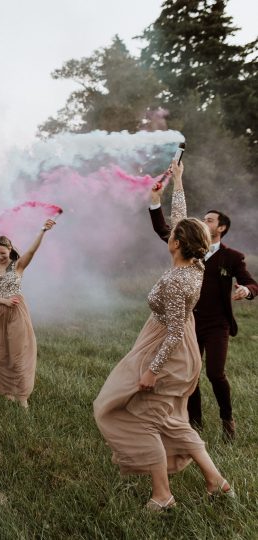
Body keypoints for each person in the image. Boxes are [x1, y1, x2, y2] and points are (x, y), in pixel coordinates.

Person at [95, 161, 233, 511]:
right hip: (179, 346)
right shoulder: (197, 265)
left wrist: (153, 370)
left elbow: (171, 334)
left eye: (172, 233)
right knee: (171, 419)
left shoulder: (176, 281)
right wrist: (178, 181)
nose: (168, 233)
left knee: (141, 416)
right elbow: (183, 219)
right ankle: (217, 482)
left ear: (177, 244)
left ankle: (162, 496)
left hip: (168, 350)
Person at [150, 164, 258, 440]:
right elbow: (167, 226)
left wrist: (246, 291)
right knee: (191, 375)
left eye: (210, 219)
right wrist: (156, 200)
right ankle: (194, 424)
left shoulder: (232, 257)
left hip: (217, 323)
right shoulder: (190, 250)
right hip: (189, 321)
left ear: (221, 227)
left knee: (215, 373)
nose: (205, 221)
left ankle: (227, 420)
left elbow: (251, 282)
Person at [0, 219, 55, 407]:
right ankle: (7, 392)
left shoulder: (18, 266)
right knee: (1, 354)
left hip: (16, 313)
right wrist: (4, 301)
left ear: (10, 249)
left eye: (2, 253)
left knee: (18, 355)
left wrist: (42, 230)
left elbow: (32, 250)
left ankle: (22, 398)